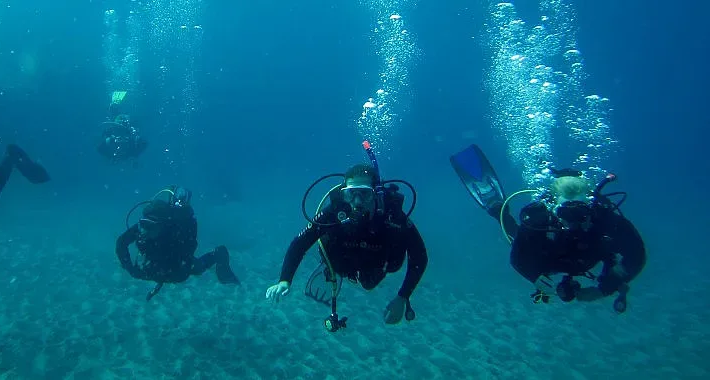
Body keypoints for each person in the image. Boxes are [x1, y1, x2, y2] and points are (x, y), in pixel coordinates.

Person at [450, 144, 646, 313]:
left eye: (580, 212)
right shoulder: (539, 222)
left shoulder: (604, 219)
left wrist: (605, 287)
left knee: (608, 253)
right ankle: (499, 211)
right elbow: (518, 257)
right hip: (547, 256)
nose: (574, 221)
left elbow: (636, 254)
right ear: (552, 207)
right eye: (567, 213)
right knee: (518, 236)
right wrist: (533, 276)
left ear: (591, 206)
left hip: (586, 257)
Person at [265, 141, 428, 331]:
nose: (357, 202)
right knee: (334, 256)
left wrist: (403, 296)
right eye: (351, 194)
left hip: (377, 263)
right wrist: (285, 280)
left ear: (376, 194)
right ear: (344, 194)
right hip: (341, 261)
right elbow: (300, 242)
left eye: (364, 195)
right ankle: (330, 271)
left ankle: (349, 271)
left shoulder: (392, 215)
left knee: (369, 284)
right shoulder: (336, 211)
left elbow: (419, 256)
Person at [116, 185, 240, 300]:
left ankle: (219, 257)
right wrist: (131, 269)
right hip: (177, 272)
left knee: (194, 267)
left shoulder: (175, 222)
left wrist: (130, 268)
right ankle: (219, 257)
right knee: (198, 266)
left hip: (155, 271)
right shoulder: (184, 221)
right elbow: (190, 248)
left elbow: (121, 242)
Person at [97, 90, 147, 163]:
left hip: (128, 147)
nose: (120, 138)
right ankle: (115, 106)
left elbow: (143, 144)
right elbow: (100, 148)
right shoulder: (110, 139)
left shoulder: (133, 142)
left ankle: (115, 106)